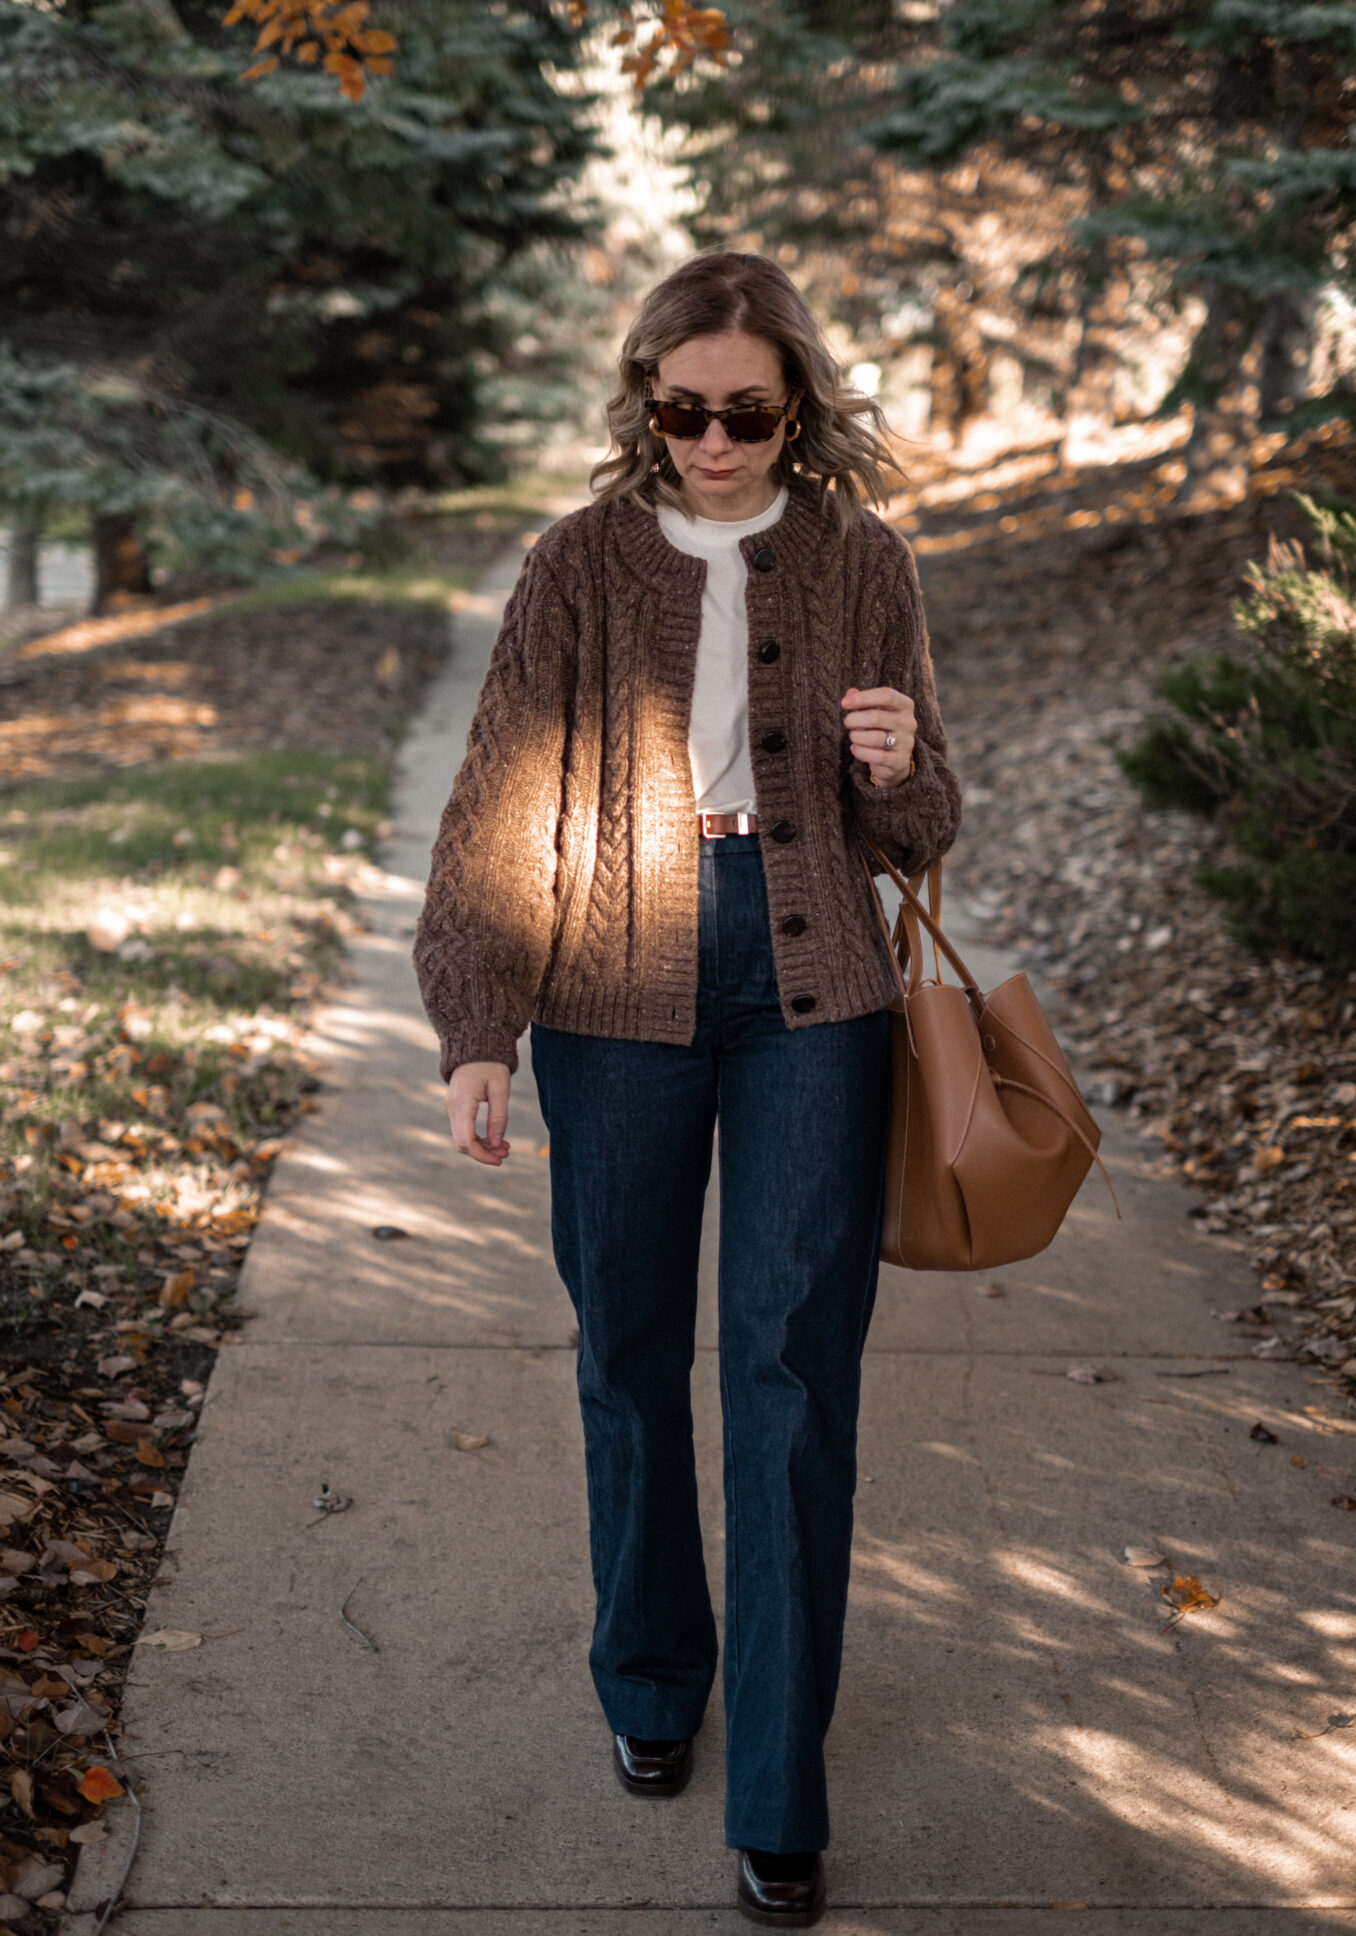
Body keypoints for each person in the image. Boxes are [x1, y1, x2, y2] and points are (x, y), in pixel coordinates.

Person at [413, 250, 962, 1929]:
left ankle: (781, 1783)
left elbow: (927, 825)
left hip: (817, 989)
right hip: (611, 977)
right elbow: (506, 788)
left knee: (794, 1367)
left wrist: (894, 766)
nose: (713, 443)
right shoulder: (579, 560)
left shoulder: (864, 557)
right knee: (631, 1346)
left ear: (798, 407)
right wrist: (479, 1025)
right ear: (644, 402)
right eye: (683, 411)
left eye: (747, 414)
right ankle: (654, 1678)